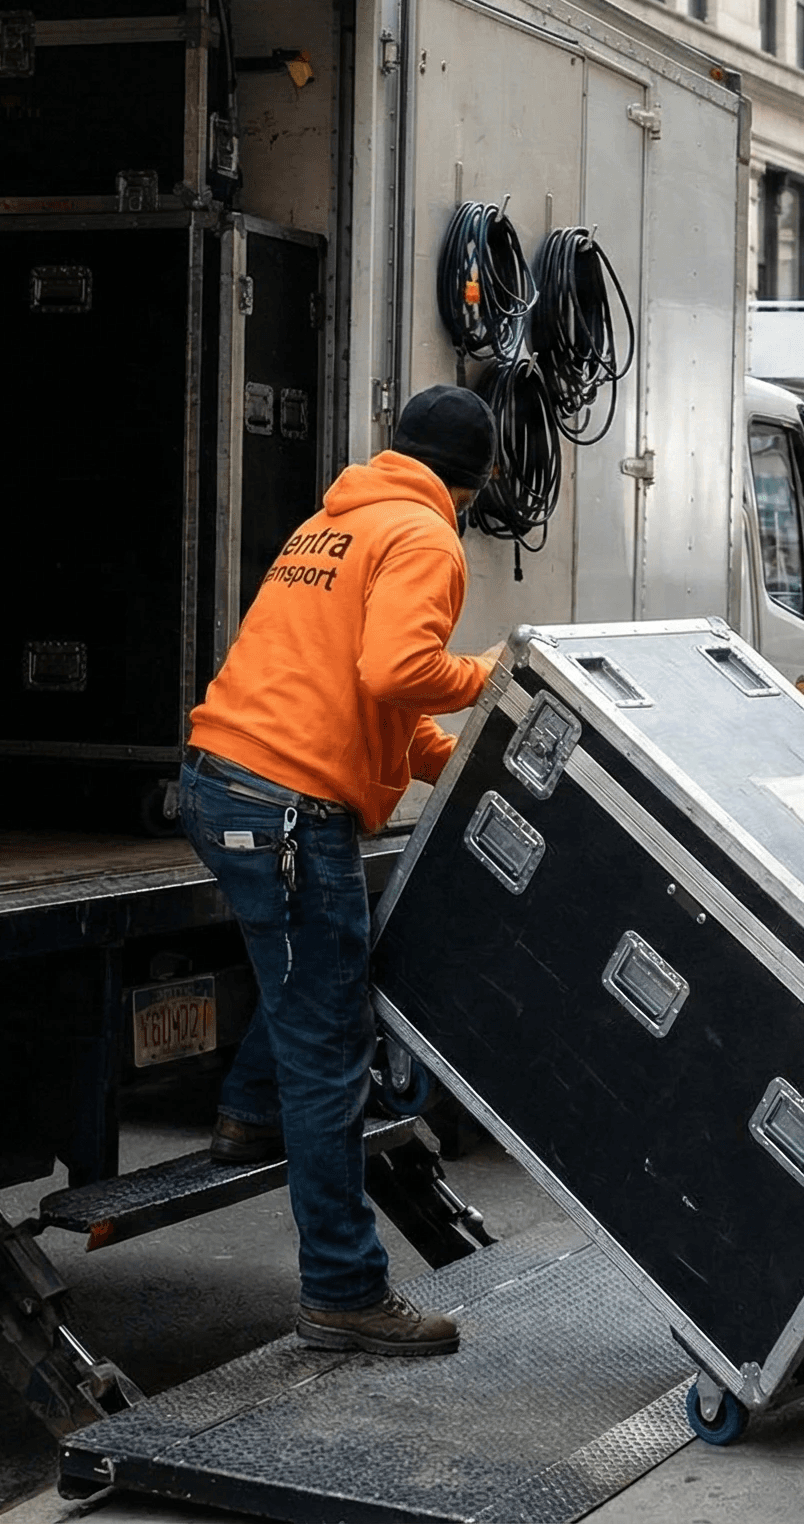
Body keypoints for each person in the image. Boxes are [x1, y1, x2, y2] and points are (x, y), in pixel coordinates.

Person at [180, 386, 501, 1357]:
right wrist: (499, 674)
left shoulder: (336, 520)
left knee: (308, 984)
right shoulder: (429, 538)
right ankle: (343, 1292)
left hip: (222, 784)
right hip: (286, 809)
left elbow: (372, 700)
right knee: (330, 1046)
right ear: (475, 486)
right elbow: (396, 672)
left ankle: (244, 1118)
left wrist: (461, 761)